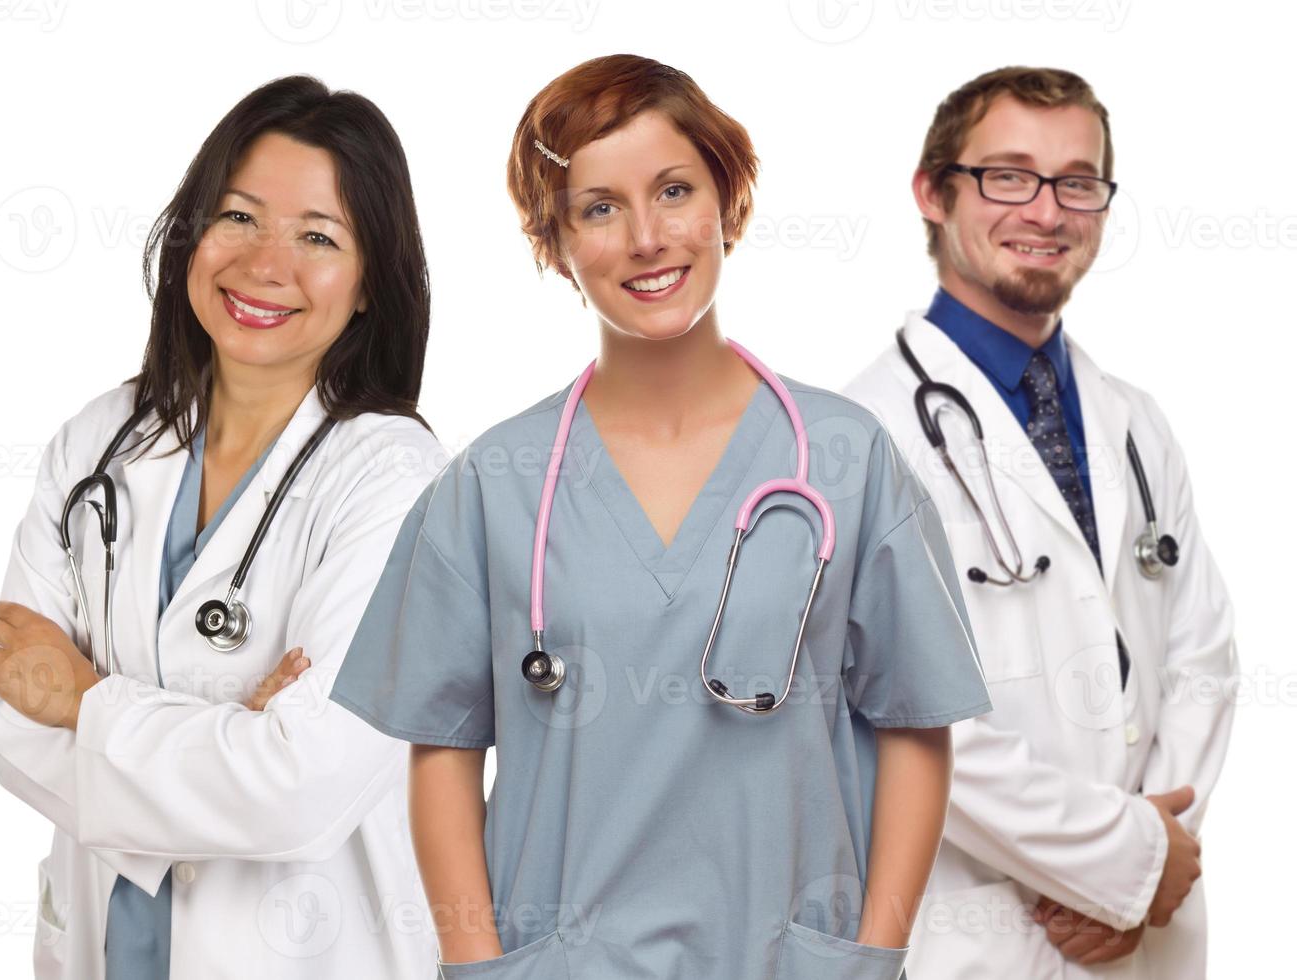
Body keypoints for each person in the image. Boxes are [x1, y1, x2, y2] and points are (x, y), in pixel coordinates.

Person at [326, 54, 992, 979]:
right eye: (599, 207)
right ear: (555, 243)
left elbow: (916, 724)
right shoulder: (494, 480)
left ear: (728, 200)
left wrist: (871, 956)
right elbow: (443, 751)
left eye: (674, 190)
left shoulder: (846, 458)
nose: (646, 236)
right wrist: (479, 965)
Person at [0, 75, 442, 979]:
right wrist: (228, 738)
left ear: (372, 279)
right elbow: (1, 710)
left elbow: (305, 787)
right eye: (239, 217)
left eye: (317, 237)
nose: (267, 265)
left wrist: (85, 702)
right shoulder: (98, 443)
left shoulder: (395, 479)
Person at [843, 66, 1238, 979]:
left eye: (1078, 181)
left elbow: (1203, 654)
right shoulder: (858, 437)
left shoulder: (1135, 421)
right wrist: (1120, 866)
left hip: (1150, 936)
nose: (1048, 210)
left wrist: (1156, 855)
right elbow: (905, 709)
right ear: (933, 193)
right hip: (985, 933)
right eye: (1009, 175)